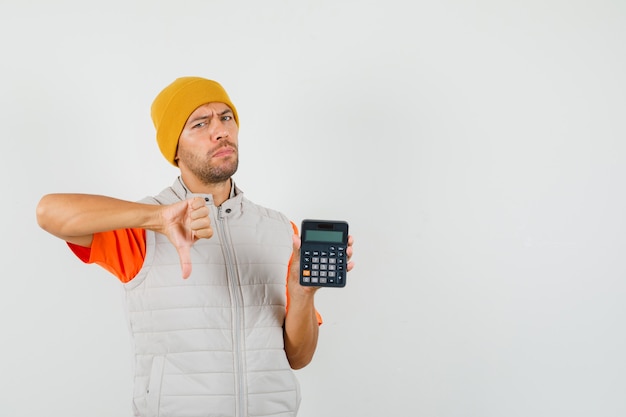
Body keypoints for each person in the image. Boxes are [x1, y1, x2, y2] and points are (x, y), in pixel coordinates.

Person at [36, 76, 354, 417]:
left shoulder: (280, 230)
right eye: (200, 123)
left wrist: (303, 294)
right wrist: (157, 218)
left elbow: (298, 357)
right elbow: (49, 212)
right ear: (174, 149)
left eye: (226, 117)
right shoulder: (140, 228)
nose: (220, 131)